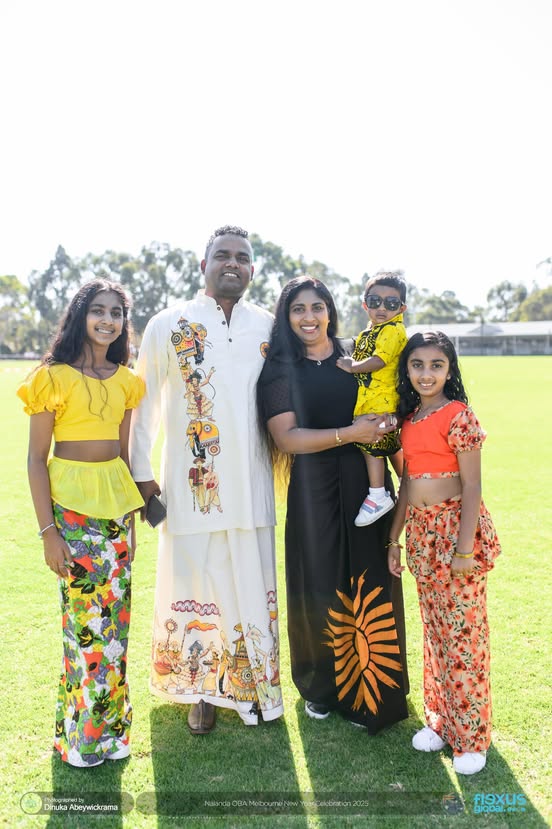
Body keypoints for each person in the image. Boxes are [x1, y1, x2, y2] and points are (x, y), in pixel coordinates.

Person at [130, 225, 283, 734]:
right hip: (193, 489)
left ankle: (256, 685)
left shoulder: (270, 326)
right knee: (196, 587)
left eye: (242, 257)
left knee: (248, 583)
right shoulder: (168, 323)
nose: (232, 264)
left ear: (253, 269)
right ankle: (199, 692)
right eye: (222, 256)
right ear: (204, 265)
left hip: (253, 485)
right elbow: (144, 404)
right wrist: (143, 476)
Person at [256, 275, 409, 731]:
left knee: (371, 576)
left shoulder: (357, 356)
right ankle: (321, 687)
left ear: (331, 311)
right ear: (287, 316)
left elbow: (389, 408)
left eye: (317, 307)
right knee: (318, 581)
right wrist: (349, 433)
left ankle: (376, 689)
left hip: (369, 485)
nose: (309, 317)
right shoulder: (280, 368)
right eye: (299, 309)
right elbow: (286, 438)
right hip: (314, 486)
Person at [17, 279, 145, 767]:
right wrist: (48, 532)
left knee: (116, 628)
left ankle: (113, 734)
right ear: (80, 316)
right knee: (84, 628)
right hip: (70, 513)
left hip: (115, 512)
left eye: (116, 312)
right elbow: (34, 459)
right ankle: (81, 739)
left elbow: (127, 453)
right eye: (98, 311)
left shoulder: (127, 380)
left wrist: (131, 520)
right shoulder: (52, 377)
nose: (107, 320)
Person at [387, 331, 501, 775]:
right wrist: (393, 540)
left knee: (464, 640)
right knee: (435, 634)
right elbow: (407, 488)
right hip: (422, 536)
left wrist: (465, 547)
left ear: (449, 370)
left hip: (456, 533)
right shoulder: (409, 421)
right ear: (407, 370)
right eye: (418, 365)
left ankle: (472, 735)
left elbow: (472, 484)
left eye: (436, 365)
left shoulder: (459, 416)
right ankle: (440, 721)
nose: (427, 373)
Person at [336, 271, 407, 526]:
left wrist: (351, 366)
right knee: (388, 447)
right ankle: (408, 488)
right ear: (365, 303)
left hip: (380, 401)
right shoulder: (373, 330)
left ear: (402, 308)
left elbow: (379, 361)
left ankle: (378, 494)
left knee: (373, 446)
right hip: (371, 399)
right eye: (375, 301)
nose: (381, 308)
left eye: (390, 303)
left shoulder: (392, 330)